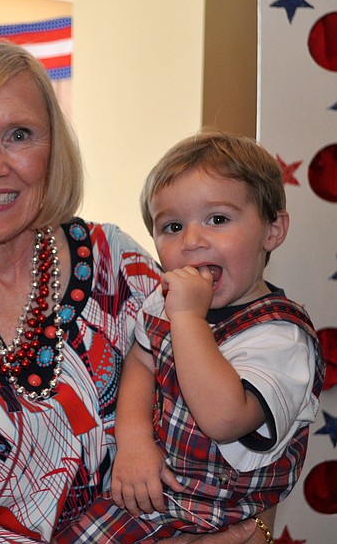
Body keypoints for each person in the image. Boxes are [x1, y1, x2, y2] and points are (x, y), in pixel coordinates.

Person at [0, 41, 272, 543]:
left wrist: (251, 517)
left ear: (52, 149)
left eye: (19, 135)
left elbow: (222, 394)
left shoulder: (115, 261)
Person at [59, 132, 325, 542]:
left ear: (273, 230)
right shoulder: (165, 302)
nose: (192, 241)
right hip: (152, 498)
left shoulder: (281, 338)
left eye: (218, 219)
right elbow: (141, 360)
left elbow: (224, 418)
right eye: (172, 226)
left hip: (222, 513)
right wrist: (132, 442)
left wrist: (187, 318)